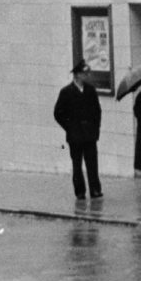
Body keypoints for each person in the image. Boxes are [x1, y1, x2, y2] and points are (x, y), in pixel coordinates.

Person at [53, 60, 104, 200]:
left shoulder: (90, 90)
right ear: (76, 75)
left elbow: (97, 111)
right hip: (75, 135)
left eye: (86, 73)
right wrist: (69, 127)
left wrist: (95, 129)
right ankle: (80, 191)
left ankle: (95, 189)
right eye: (83, 73)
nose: (86, 76)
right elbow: (58, 113)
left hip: (89, 134)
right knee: (77, 164)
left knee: (92, 163)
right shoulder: (66, 92)